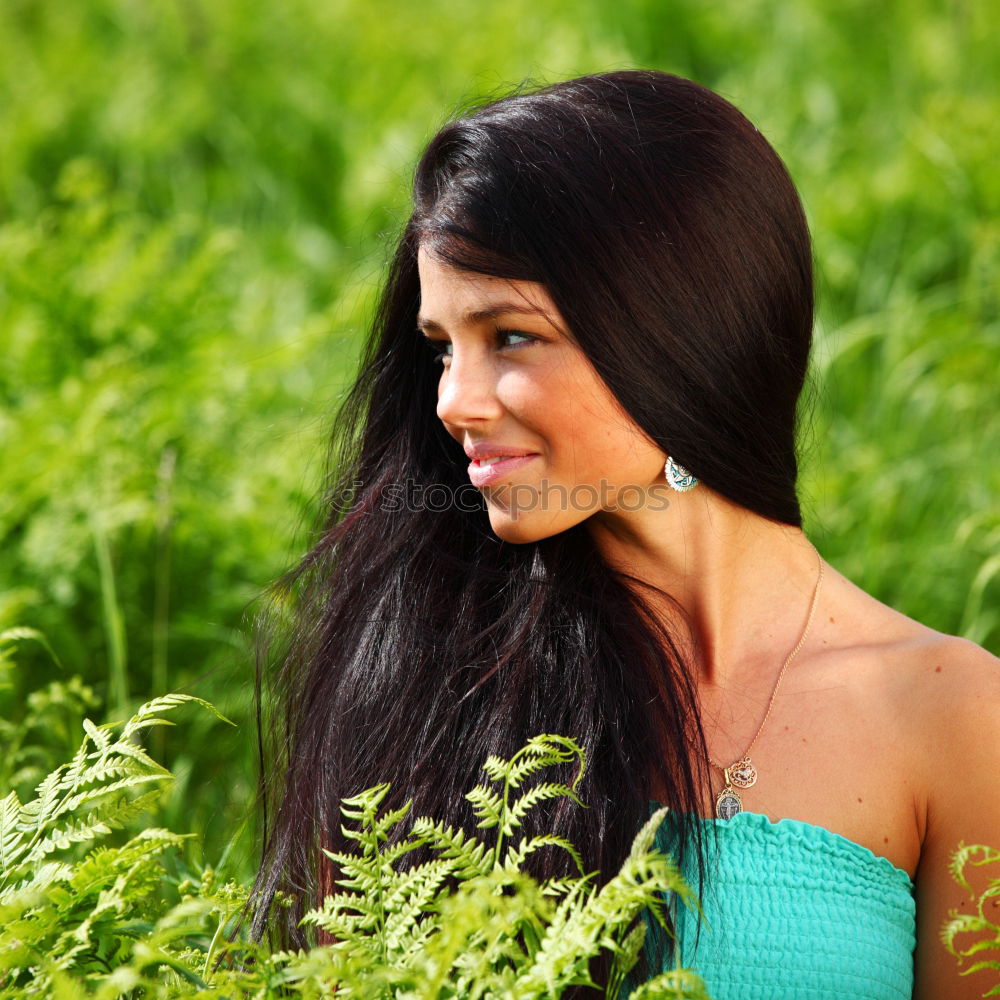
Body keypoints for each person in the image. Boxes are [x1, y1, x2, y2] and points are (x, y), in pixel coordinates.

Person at [251, 70, 1000, 999]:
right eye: (443, 346)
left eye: (510, 337)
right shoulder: (428, 677)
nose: (452, 401)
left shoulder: (954, 716)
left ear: (679, 334)